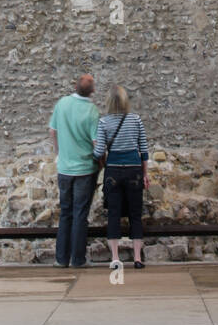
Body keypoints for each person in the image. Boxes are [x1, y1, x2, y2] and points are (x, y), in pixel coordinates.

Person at [95, 86, 150, 270]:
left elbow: (99, 151)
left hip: (114, 171)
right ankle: (137, 258)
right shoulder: (136, 120)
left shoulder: (104, 122)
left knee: (114, 214)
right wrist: (145, 174)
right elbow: (143, 149)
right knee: (135, 214)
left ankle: (116, 258)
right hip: (134, 169)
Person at [48, 73, 99, 268]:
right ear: (92, 90)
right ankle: (78, 259)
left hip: (65, 168)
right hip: (85, 169)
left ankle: (61, 258)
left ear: (75, 86)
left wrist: (59, 153)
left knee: (65, 212)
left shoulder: (62, 103)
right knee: (80, 214)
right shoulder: (92, 111)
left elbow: (53, 131)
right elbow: (96, 142)